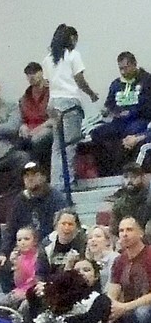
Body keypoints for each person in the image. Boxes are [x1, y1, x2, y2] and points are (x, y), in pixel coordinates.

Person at [42, 23, 99, 196]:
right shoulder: (73, 55)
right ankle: (67, 182)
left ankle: (56, 183)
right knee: (69, 145)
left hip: (54, 104)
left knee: (57, 147)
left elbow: (46, 83)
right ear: (71, 38)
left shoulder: (48, 59)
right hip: (69, 103)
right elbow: (79, 78)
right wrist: (91, 93)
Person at [0, 162, 64, 283]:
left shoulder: (55, 198)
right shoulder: (20, 200)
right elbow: (10, 229)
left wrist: (42, 249)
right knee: (2, 267)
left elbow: (61, 228)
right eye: (26, 176)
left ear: (44, 177)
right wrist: (4, 253)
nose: (30, 178)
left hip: (48, 249)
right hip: (24, 248)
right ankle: (15, 293)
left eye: (34, 174)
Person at [89, 52, 151, 174]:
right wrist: (112, 111)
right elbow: (109, 104)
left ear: (134, 65)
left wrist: (132, 111)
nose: (123, 72)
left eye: (125, 68)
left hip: (139, 119)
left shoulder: (147, 80)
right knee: (96, 134)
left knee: (130, 133)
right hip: (119, 121)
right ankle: (105, 172)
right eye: (120, 68)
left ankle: (125, 170)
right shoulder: (116, 84)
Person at [106, 217, 151, 323]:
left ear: (141, 233)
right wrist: (111, 307)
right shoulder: (119, 261)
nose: (124, 234)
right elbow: (113, 291)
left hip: (144, 307)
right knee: (108, 315)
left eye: (129, 230)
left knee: (142, 314)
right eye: (121, 230)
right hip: (127, 307)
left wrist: (125, 307)